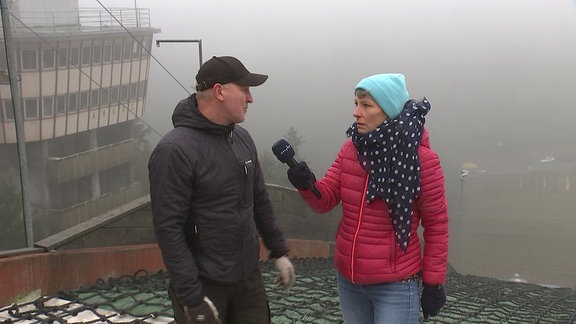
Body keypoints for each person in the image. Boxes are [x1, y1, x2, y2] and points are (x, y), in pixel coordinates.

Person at [285, 74, 449, 323]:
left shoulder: (422, 161)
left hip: (395, 284)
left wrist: (433, 283)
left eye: (366, 105)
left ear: (389, 110)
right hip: (349, 281)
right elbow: (325, 199)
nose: (356, 112)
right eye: (355, 104)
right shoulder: (351, 149)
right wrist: (306, 184)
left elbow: (437, 226)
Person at [148, 55, 295, 324]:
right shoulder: (174, 151)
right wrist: (191, 298)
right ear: (219, 91)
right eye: (245, 89)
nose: (251, 98)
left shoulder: (242, 139)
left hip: (248, 280)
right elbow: (169, 229)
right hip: (204, 285)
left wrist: (279, 251)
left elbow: (259, 200)